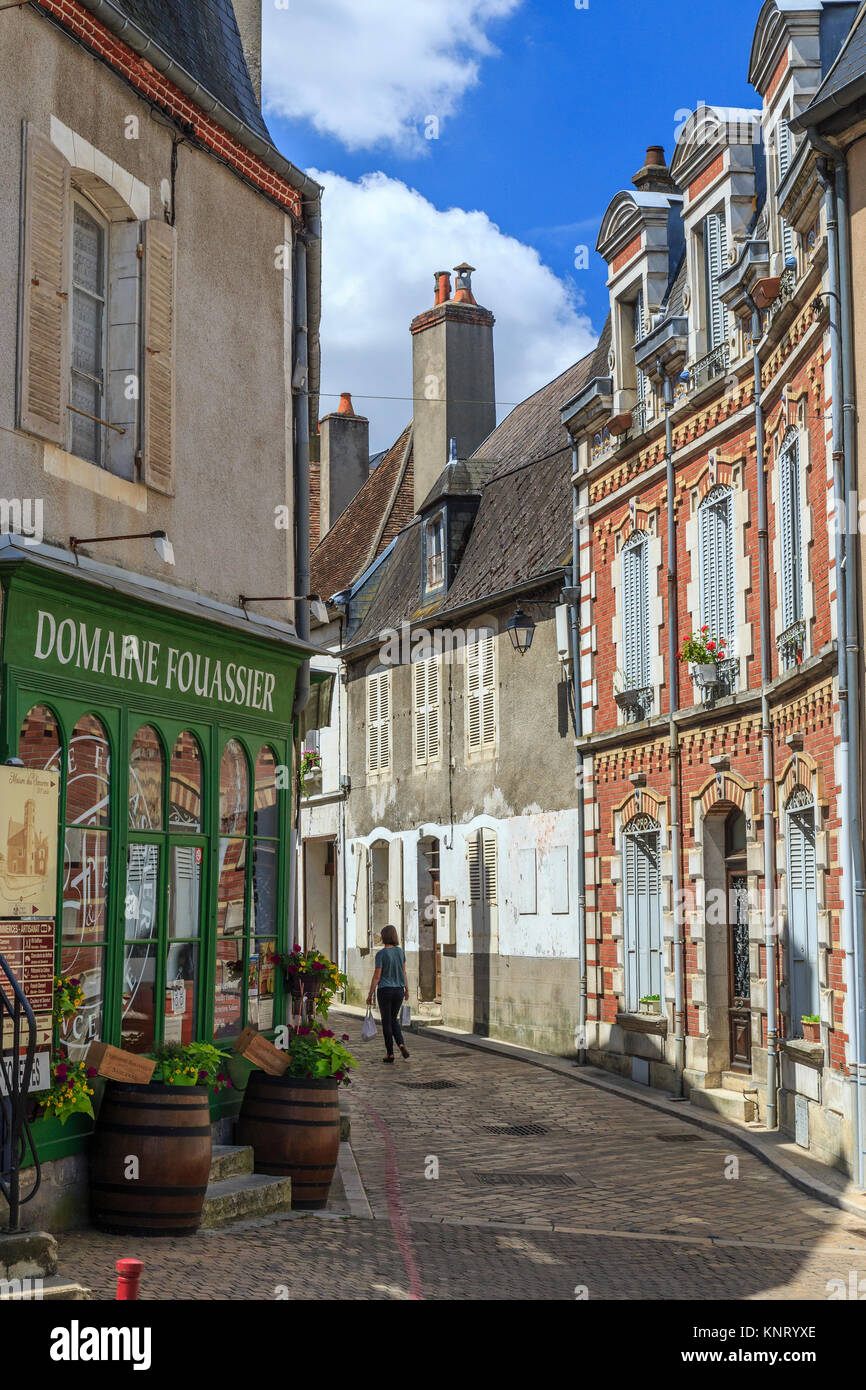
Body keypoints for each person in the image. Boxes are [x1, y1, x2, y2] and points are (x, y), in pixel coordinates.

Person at [366, 924, 410, 1063]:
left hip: (385, 991)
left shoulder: (381, 954)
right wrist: (407, 989)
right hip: (399, 991)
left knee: (387, 1021)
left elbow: (377, 976)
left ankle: (390, 1053)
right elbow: (404, 972)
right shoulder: (400, 952)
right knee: (393, 1019)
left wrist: (370, 994)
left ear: (384, 937)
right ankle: (401, 1044)